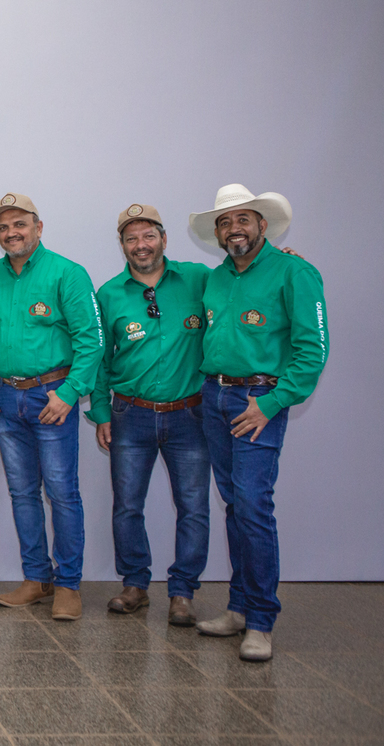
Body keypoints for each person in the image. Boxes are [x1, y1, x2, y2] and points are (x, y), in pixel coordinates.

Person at [189, 184, 329, 661]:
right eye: (225, 222)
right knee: (235, 505)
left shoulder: (295, 272)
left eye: (243, 219)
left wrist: (272, 403)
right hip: (215, 396)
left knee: (253, 505)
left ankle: (262, 621)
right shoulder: (214, 279)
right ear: (217, 233)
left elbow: (313, 349)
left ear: (262, 225)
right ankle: (239, 607)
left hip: (258, 400)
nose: (234, 229)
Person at [0, 193, 103, 621]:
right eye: (3, 227)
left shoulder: (67, 273)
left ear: (38, 228)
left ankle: (68, 585)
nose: (11, 233)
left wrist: (71, 392)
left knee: (61, 493)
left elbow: (91, 340)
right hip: (7, 400)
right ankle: (36, 578)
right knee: (23, 493)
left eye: (19, 224)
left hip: (53, 397)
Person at [87, 204, 211, 626]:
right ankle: (135, 584)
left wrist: (280, 261)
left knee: (193, 506)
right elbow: (99, 360)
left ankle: (183, 591)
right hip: (130, 415)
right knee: (127, 506)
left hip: (189, 415)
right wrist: (101, 412)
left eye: (148, 236)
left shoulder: (198, 279)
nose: (140, 245)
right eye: (131, 238)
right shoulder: (109, 294)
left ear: (163, 239)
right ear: (122, 245)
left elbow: (242, 282)